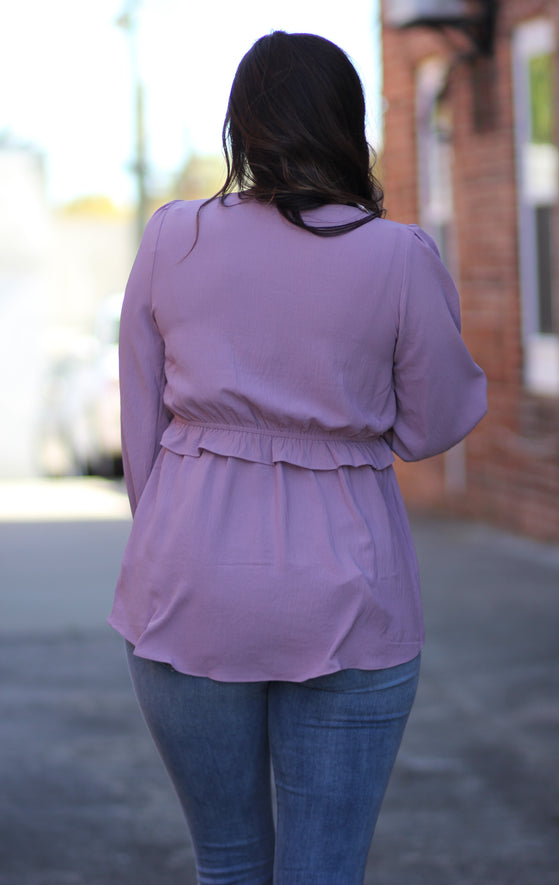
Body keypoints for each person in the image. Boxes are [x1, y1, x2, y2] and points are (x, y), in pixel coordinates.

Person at [109, 30, 487, 885]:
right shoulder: (397, 255)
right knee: (325, 872)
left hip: (190, 575)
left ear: (240, 128)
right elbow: (432, 424)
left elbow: (142, 429)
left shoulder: (173, 239)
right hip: (349, 590)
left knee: (230, 864)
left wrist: (175, 539)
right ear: (348, 126)